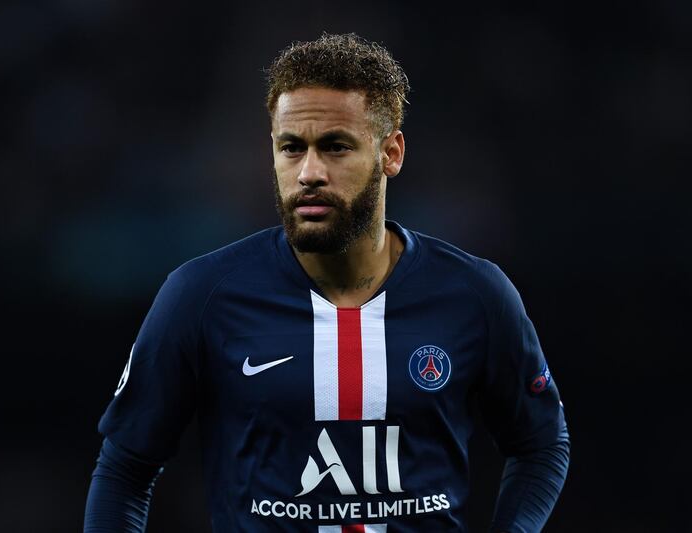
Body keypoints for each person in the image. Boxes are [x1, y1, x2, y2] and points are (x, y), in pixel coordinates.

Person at [84, 33, 569, 533]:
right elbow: (125, 469)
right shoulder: (201, 295)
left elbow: (542, 445)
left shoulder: (476, 295)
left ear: (391, 153)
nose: (309, 172)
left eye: (336, 147)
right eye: (292, 148)